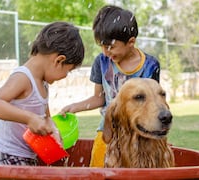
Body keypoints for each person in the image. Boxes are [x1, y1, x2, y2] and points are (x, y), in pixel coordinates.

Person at [60, 5, 160, 167]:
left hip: (139, 136)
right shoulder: (102, 62)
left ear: (131, 42)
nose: (106, 52)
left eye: (111, 46)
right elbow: (99, 99)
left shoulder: (149, 65)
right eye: (102, 46)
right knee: (99, 171)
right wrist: (75, 107)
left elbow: (153, 104)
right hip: (107, 132)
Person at [0, 21, 85, 166]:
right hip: (10, 157)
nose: (66, 76)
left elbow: (46, 117)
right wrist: (29, 118)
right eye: (68, 71)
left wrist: (54, 131)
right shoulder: (23, 78)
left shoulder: (43, 83)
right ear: (59, 60)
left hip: (28, 156)